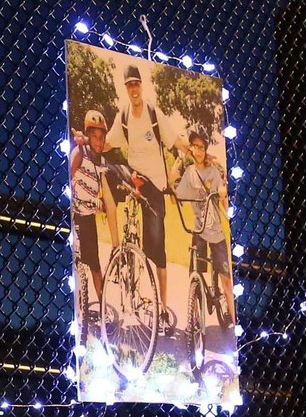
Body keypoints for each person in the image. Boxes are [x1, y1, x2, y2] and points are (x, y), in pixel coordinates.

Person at [105, 64, 174, 320]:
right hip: (134, 181)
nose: (133, 88)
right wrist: (89, 143)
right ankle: (122, 253)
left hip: (154, 186)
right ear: (125, 88)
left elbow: (174, 140)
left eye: (136, 83)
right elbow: (109, 141)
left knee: (158, 247)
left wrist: (191, 150)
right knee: (110, 175)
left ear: (141, 86)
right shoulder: (122, 115)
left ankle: (163, 307)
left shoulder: (154, 113)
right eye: (129, 85)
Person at [171, 126, 232, 327]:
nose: (198, 151)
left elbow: (222, 195)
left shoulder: (213, 171)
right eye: (195, 146)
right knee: (194, 274)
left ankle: (233, 319)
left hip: (215, 230)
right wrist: (178, 164)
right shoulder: (189, 173)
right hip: (199, 230)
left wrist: (223, 193)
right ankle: (194, 318)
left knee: (226, 279)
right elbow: (176, 196)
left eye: (202, 147)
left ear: (206, 149)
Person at [69, 110, 115, 332]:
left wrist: (101, 203)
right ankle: (77, 307)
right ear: (88, 136)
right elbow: (69, 179)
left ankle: (102, 306)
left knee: (95, 264)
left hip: (88, 217)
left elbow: (108, 146)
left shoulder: (102, 160)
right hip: (74, 213)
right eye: (93, 136)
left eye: (101, 136)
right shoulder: (79, 153)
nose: (99, 141)